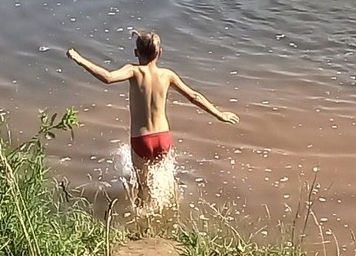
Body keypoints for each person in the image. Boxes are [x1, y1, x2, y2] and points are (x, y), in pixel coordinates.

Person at [66, 31, 237, 203]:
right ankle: (166, 210)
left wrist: (79, 59)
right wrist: (219, 114)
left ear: (135, 52)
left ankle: (144, 222)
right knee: (162, 179)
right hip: (163, 138)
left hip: (141, 140)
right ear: (159, 53)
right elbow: (194, 96)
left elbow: (107, 77)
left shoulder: (133, 70)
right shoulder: (168, 75)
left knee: (143, 187)